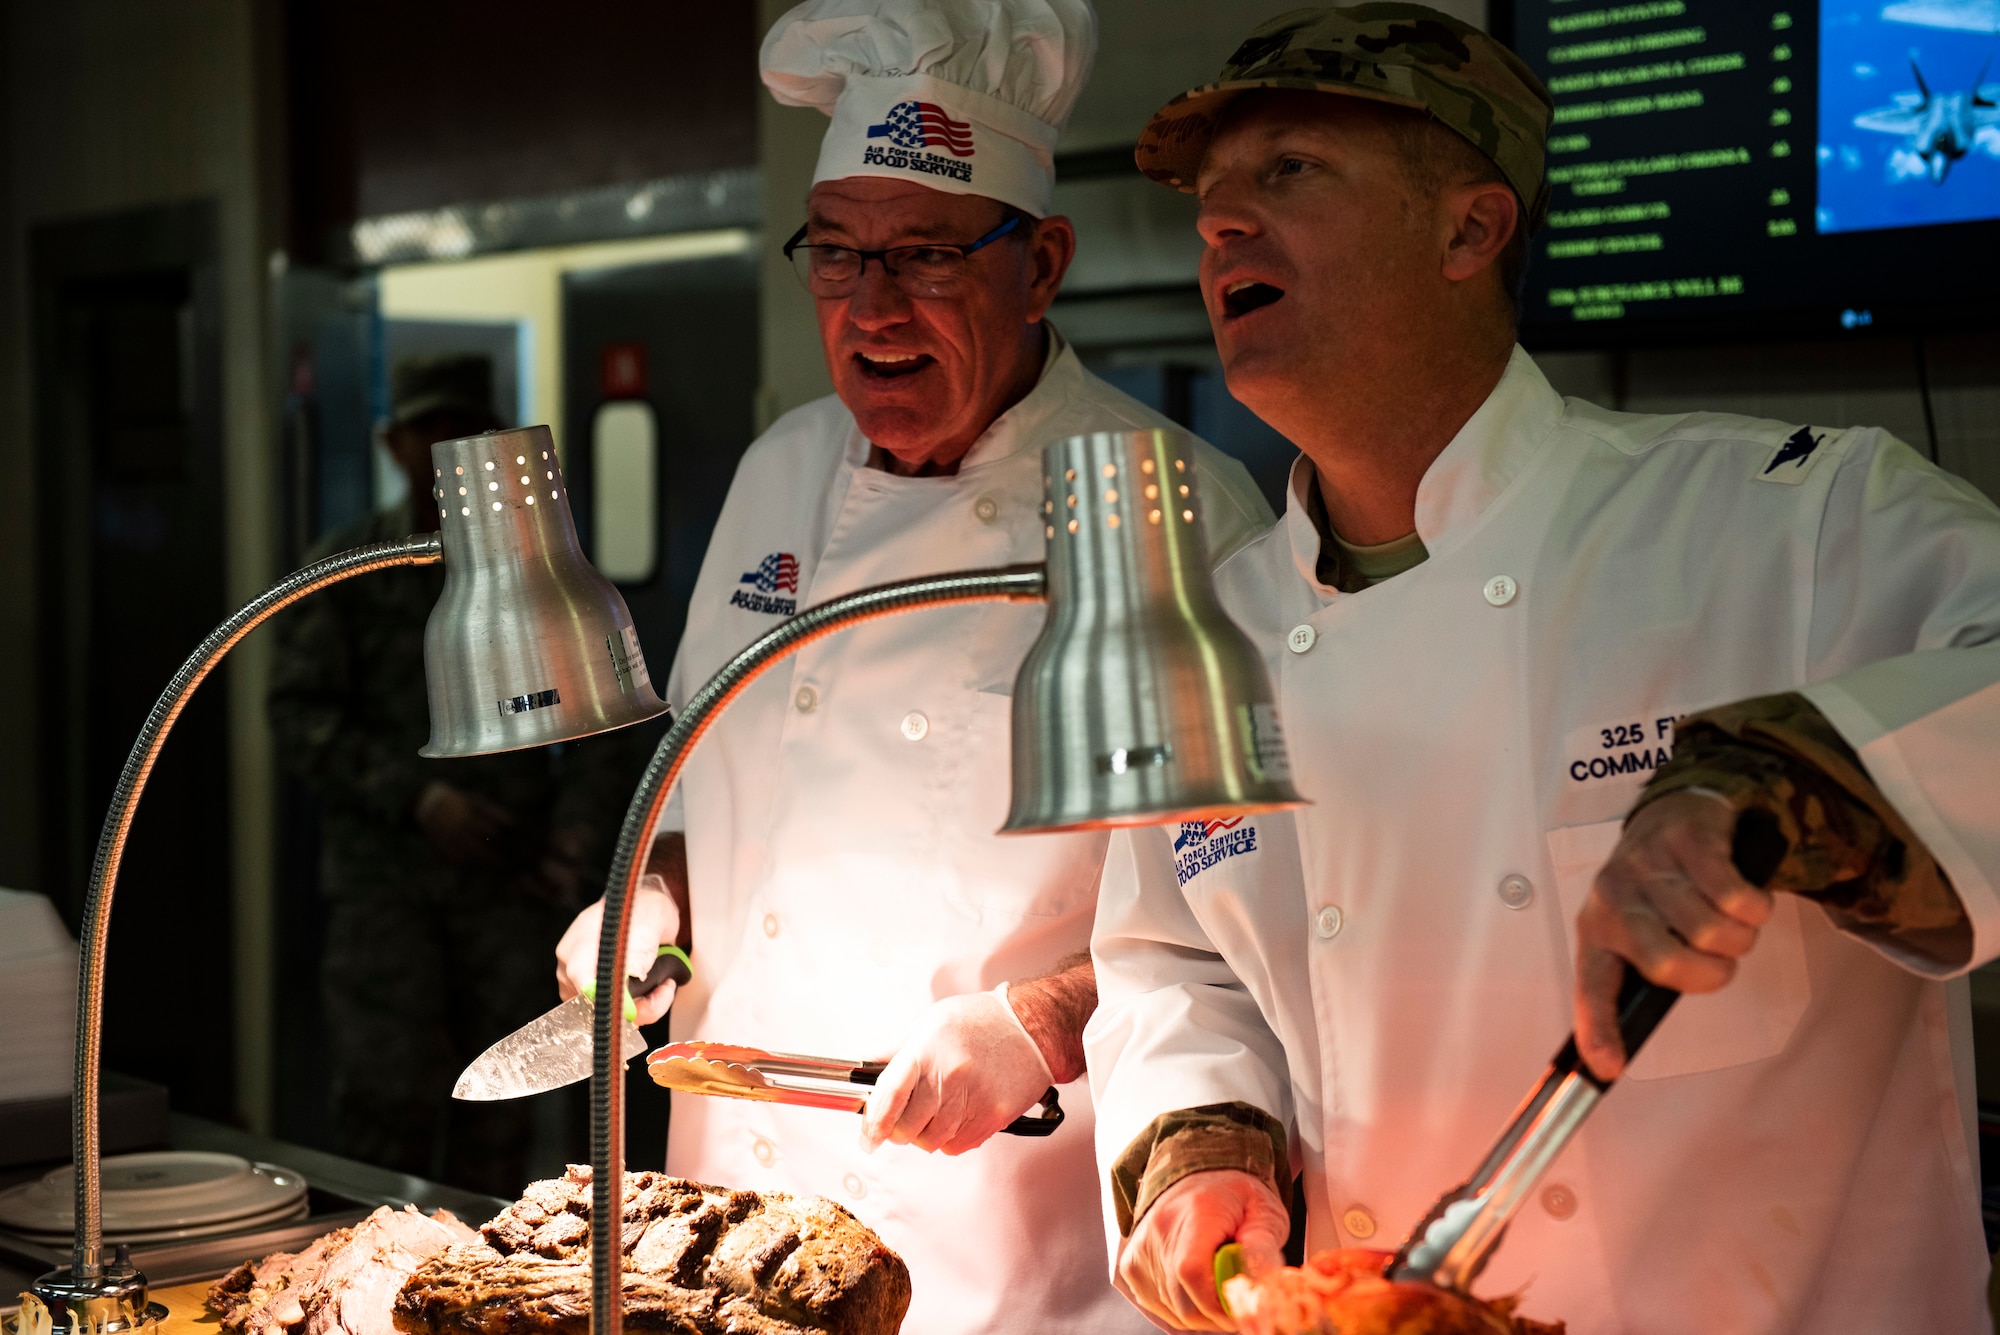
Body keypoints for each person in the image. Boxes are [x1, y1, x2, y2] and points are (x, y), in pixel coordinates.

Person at [1083, 7, 2000, 1333]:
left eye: (1288, 170)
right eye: (1211, 199)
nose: (1223, 223)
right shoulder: (1198, 635)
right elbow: (1175, 959)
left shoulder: (1788, 518)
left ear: (1471, 228)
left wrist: (1771, 784)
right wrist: (1201, 1145)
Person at [551, 2, 1274, 1331]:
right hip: (733, 1203)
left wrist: (1043, 1019)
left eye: (926, 257)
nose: (872, 306)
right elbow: (710, 781)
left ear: (1040, 263)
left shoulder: (1180, 504)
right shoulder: (780, 466)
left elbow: (1250, 912)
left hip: (1002, 1237)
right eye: (835, 257)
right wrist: (646, 905)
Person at [271, 354, 653, 1196]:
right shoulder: (353, 565)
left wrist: (578, 839)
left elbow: (605, 727)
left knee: (501, 1114)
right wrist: (418, 798)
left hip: (509, 883)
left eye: (467, 430)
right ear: (394, 442)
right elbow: (299, 714)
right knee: (384, 1103)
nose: (448, 448)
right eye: (428, 430)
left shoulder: (542, 570)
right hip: (388, 891)